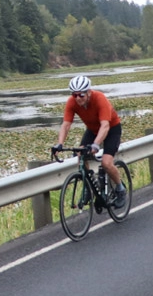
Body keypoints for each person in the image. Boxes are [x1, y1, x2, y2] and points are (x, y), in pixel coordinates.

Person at [52, 75, 127, 208]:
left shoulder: (99, 99)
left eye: (81, 95)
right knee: (80, 154)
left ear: (88, 92)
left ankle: (120, 189)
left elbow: (105, 126)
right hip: (92, 130)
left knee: (106, 163)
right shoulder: (72, 102)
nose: (78, 98)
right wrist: (60, 144)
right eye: (74, 95)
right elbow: (66, 125)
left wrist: (96, 145)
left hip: (111, 130)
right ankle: (88, 186)